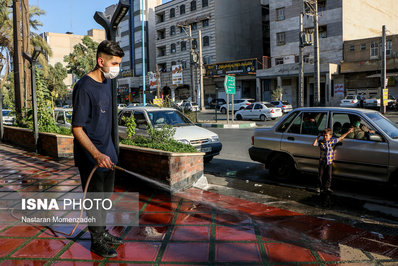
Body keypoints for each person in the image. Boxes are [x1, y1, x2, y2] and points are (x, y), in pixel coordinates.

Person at [72, 40, 124, 258]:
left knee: (104, 199)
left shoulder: (106, 83)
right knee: (94, 201)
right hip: (92, 158)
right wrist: (96, 154)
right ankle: (96, 242)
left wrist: (111, 152)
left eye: (119, 63)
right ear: (100, 61)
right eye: (114, 63)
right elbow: (77, 129)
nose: (117, 68)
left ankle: (102, 233)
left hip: (108, 155)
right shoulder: (84, 88)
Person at [312, 127, 354, 193]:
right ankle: (318, 187)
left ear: (330, 136)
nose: (325, 137)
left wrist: (348, 132)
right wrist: (318, 136)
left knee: (329, 175)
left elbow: (341, 138)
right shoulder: (321, 142)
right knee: (320, 175)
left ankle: (327, 187)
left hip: (329, 162)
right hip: (322, 162)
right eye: (324, 135)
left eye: (326, 135)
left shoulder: (332, 141)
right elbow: (314, 144)